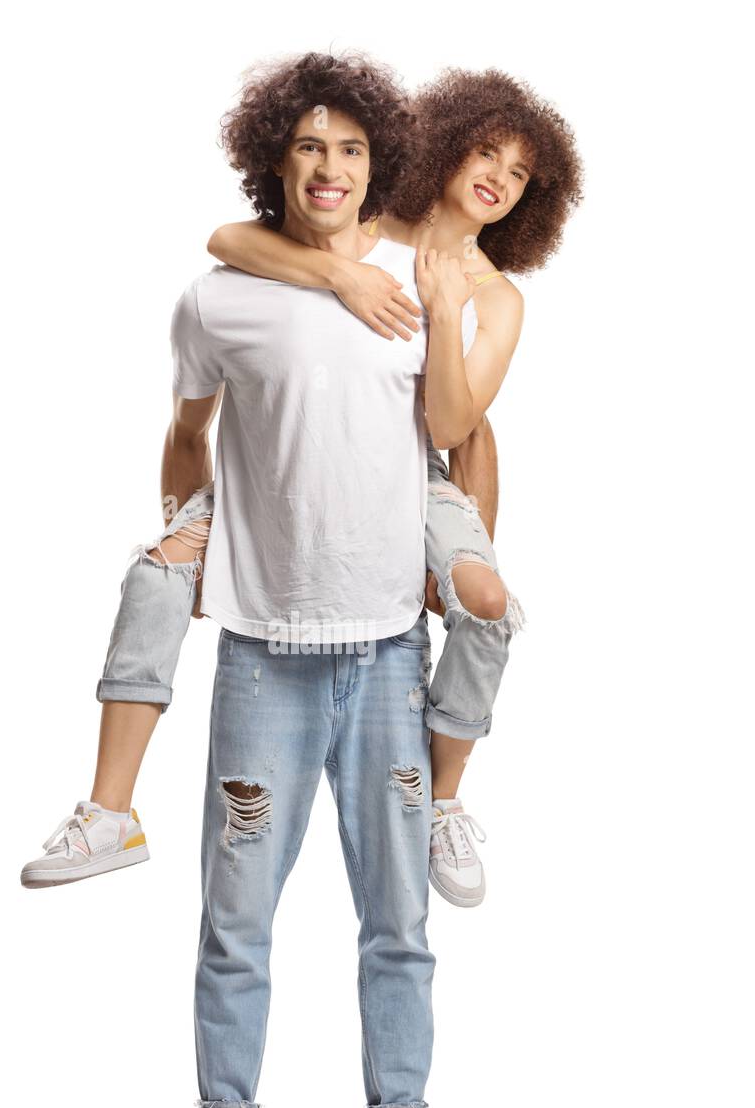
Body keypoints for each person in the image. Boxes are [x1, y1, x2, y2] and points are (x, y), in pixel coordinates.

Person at [25, 51, 489, 1108]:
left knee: (397, 919)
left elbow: (465, 434)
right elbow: (187, 431)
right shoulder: (215, 297)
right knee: (235, 921)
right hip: (259, 658)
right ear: (272, 158)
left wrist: (460, 549)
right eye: (306, 147)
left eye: (348, 150)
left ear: (375, 166)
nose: (326, 168)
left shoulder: (410, 291)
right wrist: (179, 534)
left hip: (385, 651)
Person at [206, 67, 584, 905]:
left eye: (520, 172)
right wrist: (341, 275)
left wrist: (445, 312)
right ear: (446, 146)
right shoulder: (374, 226)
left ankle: (442, 798)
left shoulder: (499, 298)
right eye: (486, 152)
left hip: (422, 470)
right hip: (327, 466)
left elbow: (450, 427)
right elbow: (230, 242)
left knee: (489, 604)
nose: (498, 177)